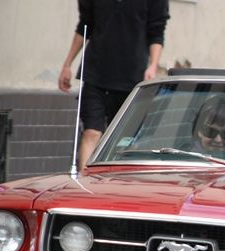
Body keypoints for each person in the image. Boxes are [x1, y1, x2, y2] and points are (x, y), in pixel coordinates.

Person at [58, 0, 170, 170]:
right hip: (96, 72)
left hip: (131, 77)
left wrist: (153, 65)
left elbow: (156, 31)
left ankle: (110, 186)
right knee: (91, 132)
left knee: (120, 141)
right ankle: (85, 184)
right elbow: (85, 25)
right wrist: (67, 64)